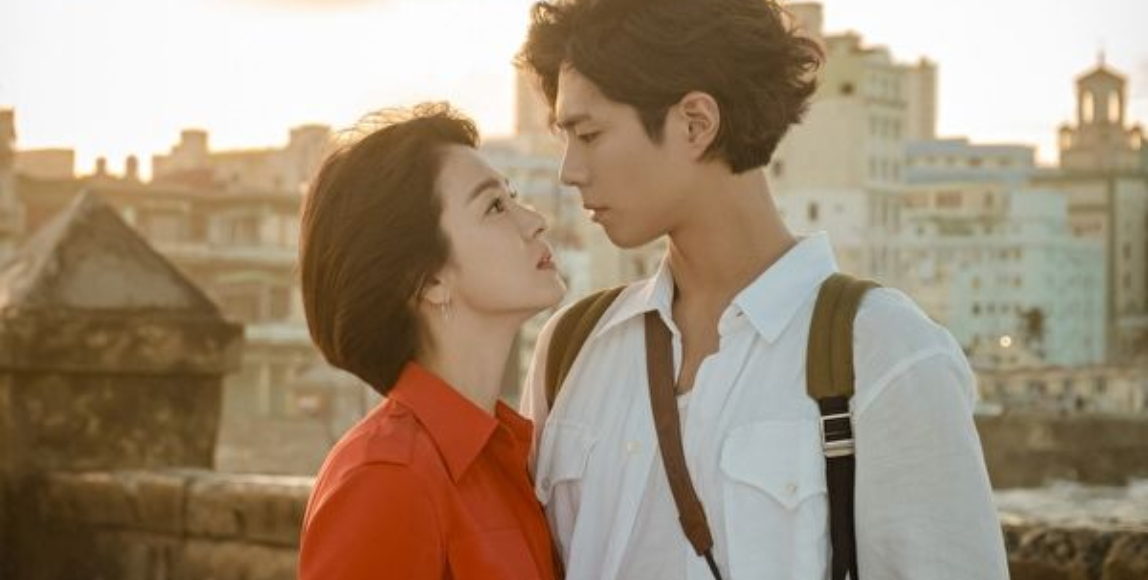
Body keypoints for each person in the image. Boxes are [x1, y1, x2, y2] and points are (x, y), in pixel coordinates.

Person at [515, 0, 1010, 579]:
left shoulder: (885, 352)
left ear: (696, 123)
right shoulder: (571, 348)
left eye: (589, 134)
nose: (569, 171)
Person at [297, 103, 566, 580]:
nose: (533, 221)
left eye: (513, 196)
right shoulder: (386, 478)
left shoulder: (510, 461)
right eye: (495, 207)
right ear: (429, 280)